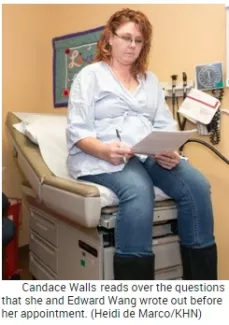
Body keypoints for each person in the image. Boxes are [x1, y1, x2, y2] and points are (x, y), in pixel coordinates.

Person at [66, 8, 217, 280]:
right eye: (126, 38)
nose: (132, 45)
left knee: (197, 185)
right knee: (138, 189)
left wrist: (169, 150)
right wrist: (105, 150)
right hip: (101, 155)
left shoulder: (149, 82)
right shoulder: (89, 76)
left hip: (148, 154)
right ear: (109, 39)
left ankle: (201, 288)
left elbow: (164, 123)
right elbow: (78, 131)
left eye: (138, 40)